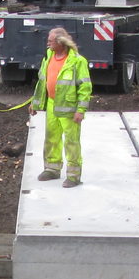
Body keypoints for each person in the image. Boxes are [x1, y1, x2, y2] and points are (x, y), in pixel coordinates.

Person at [29, 27, 92, 188]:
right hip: (51, 104)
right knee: (51, 138)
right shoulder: (49, 56)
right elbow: (42, 81)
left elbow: (85, 87)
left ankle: (73, 176)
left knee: (71, 141)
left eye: (50, 41)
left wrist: (80, 110)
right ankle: (52, 169)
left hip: (69, 109)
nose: (47, 43)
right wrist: (35, 103)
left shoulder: (77, 61)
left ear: (60, 43)